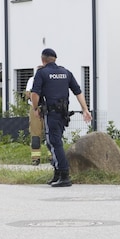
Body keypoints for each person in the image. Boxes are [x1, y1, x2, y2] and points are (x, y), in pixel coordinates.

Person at [30, 48, 92, 187]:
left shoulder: (42, 73)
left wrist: (35, 108)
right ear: (55, 59)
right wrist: (85, 109)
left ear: (43, 59)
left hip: (51, 113)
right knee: (53, 142)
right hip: (63, 114)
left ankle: (64, 175)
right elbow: (78, 91)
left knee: (54, 143)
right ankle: (57, 174)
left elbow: (34, 93)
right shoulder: (66, 72)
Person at [25, 66, 49, 165]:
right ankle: (52, 157)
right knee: (49, 132)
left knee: (35, 133)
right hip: (47, 107)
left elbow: (28, 94)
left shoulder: (32, 79)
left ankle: (36, 158)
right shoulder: (46, 78)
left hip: (37, 107)